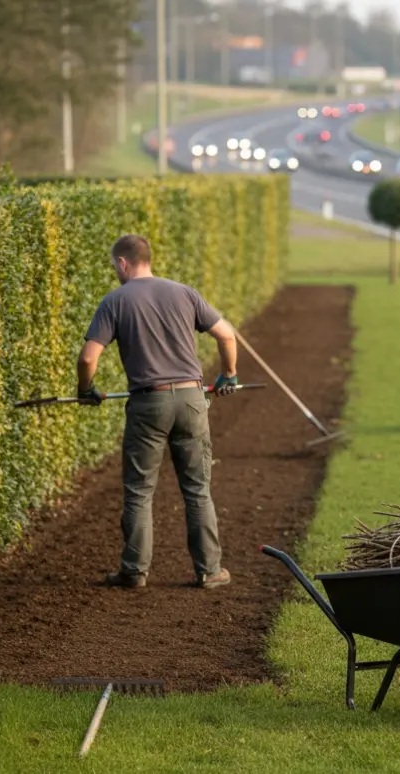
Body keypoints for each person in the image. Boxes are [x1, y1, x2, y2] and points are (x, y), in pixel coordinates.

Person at [76, 234, 239, 590]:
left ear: (123, 263)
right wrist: (229, 375)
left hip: (148, 403)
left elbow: (89, 357)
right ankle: (210, 571)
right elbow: (226, 337)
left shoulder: (115, 301)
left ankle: (134, 571)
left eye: (114, 266)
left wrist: (85, 389)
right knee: (197, 490)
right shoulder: (184, 292)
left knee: (139, 491)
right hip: (193, 399)